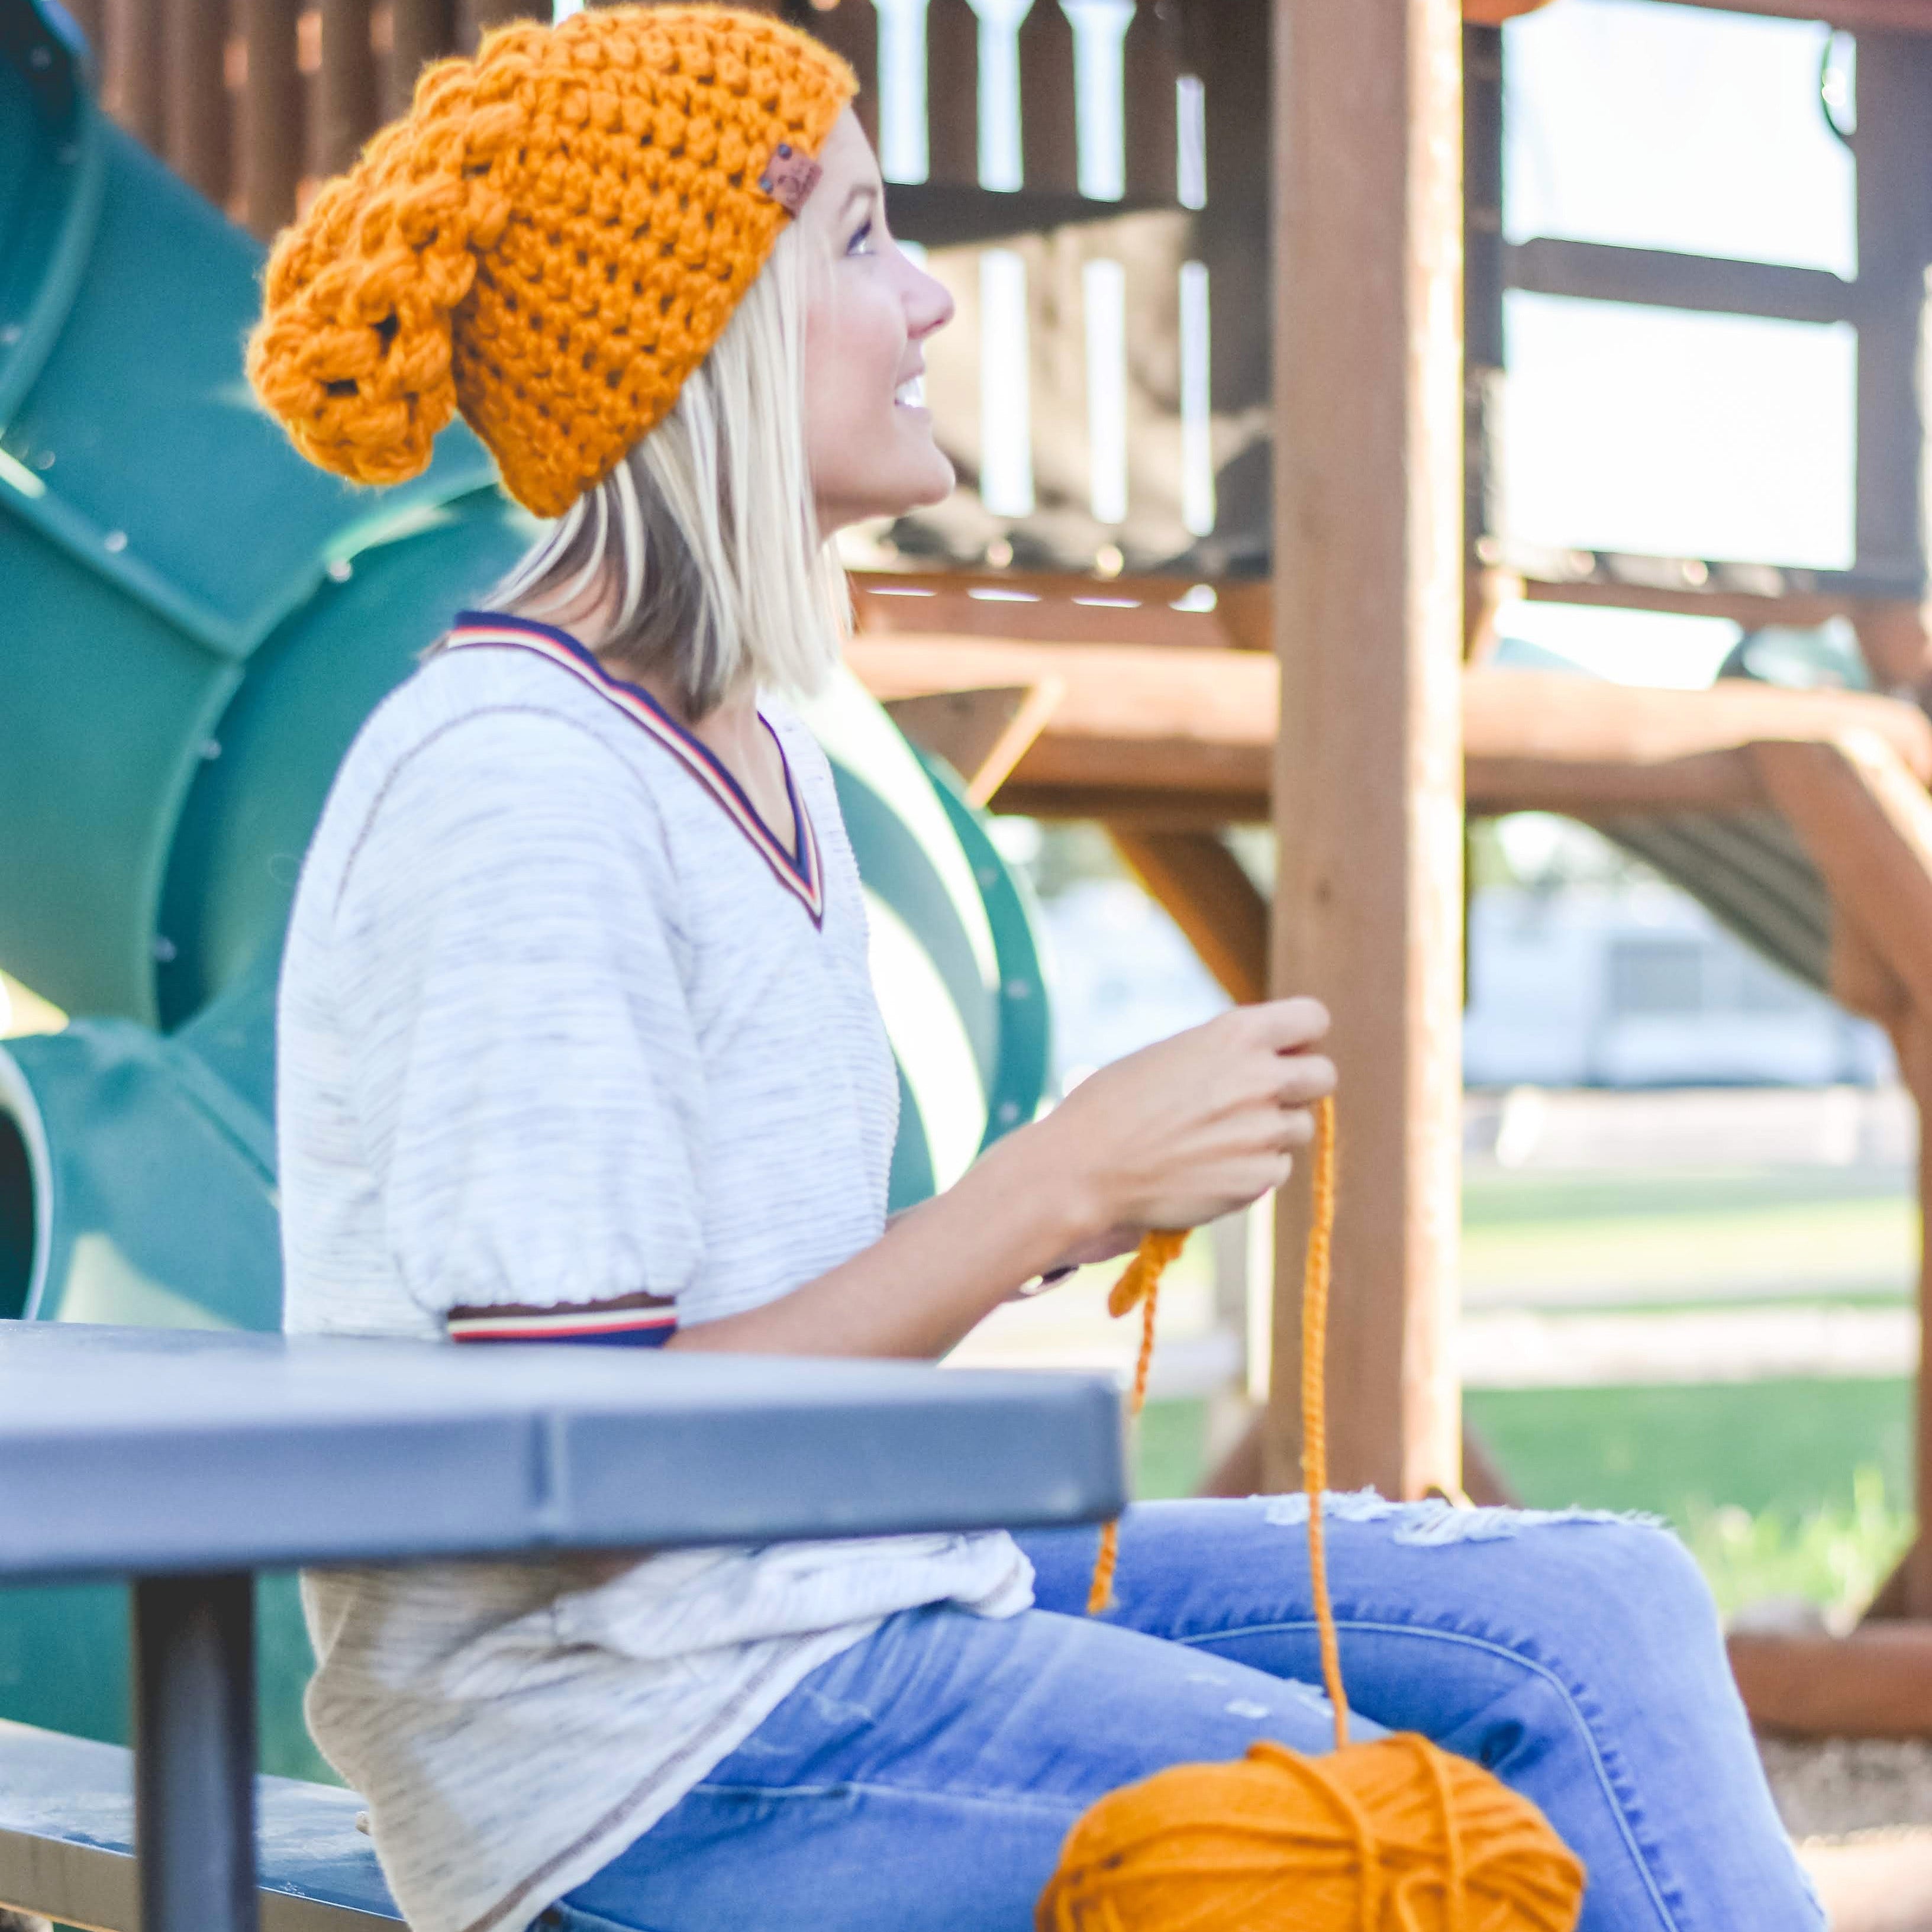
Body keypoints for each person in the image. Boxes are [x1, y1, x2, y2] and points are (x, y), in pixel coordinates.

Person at [253, 11, 1822, 1931]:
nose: (926, 297)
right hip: (647, 1758)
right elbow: (581, 1461)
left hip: (851, 1593)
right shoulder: (519, 785)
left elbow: (745, 1327)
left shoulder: (750, 741)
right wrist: (1050, 1186)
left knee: (1595, 1606)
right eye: (853, 238)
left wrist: (1087, 1202)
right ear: (710, 331)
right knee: (1399, 1864)